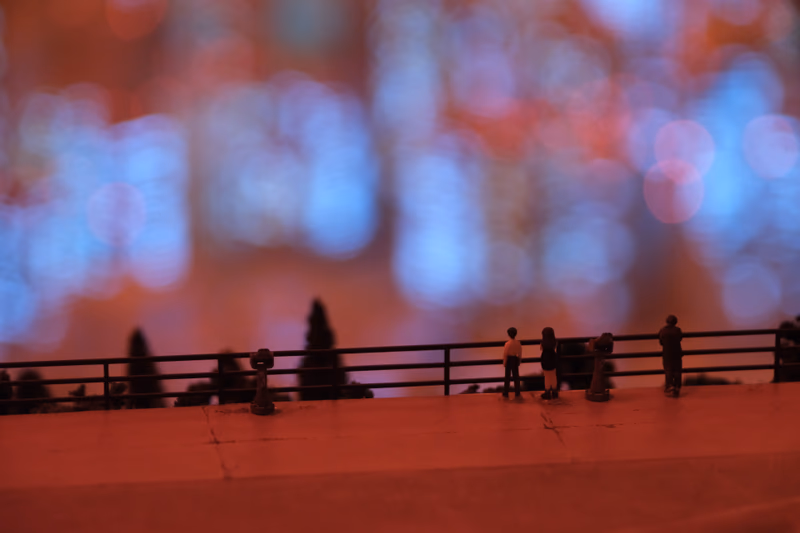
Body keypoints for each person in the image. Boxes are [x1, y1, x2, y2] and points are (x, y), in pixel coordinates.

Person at [659, 315, 683, 397]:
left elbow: (661, 342)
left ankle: (670, 385)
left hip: (667, 353)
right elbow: (680, 338)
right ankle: (677, 386)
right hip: (677, 352)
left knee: (668, 370)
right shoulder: (678, 330)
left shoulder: (663, 331)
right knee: (677, 370)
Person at [502, 327, 522, 399]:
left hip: (509, 359)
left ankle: (506, 392)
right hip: (515, 359)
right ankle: (517, 392)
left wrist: (505, 362)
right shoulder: (518, 343)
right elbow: (520, 353)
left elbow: (505, 354)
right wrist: (519, 361)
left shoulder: (507, 343)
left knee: (507, 377)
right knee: (516, 377)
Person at [540, 327, 559, 400]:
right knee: (553, 375)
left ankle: (547, 392)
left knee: (547, 376)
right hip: (553, 358)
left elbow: (541, 348)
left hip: (545, 358)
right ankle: (554, 391)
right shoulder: (554, 342)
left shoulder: (543, 343)